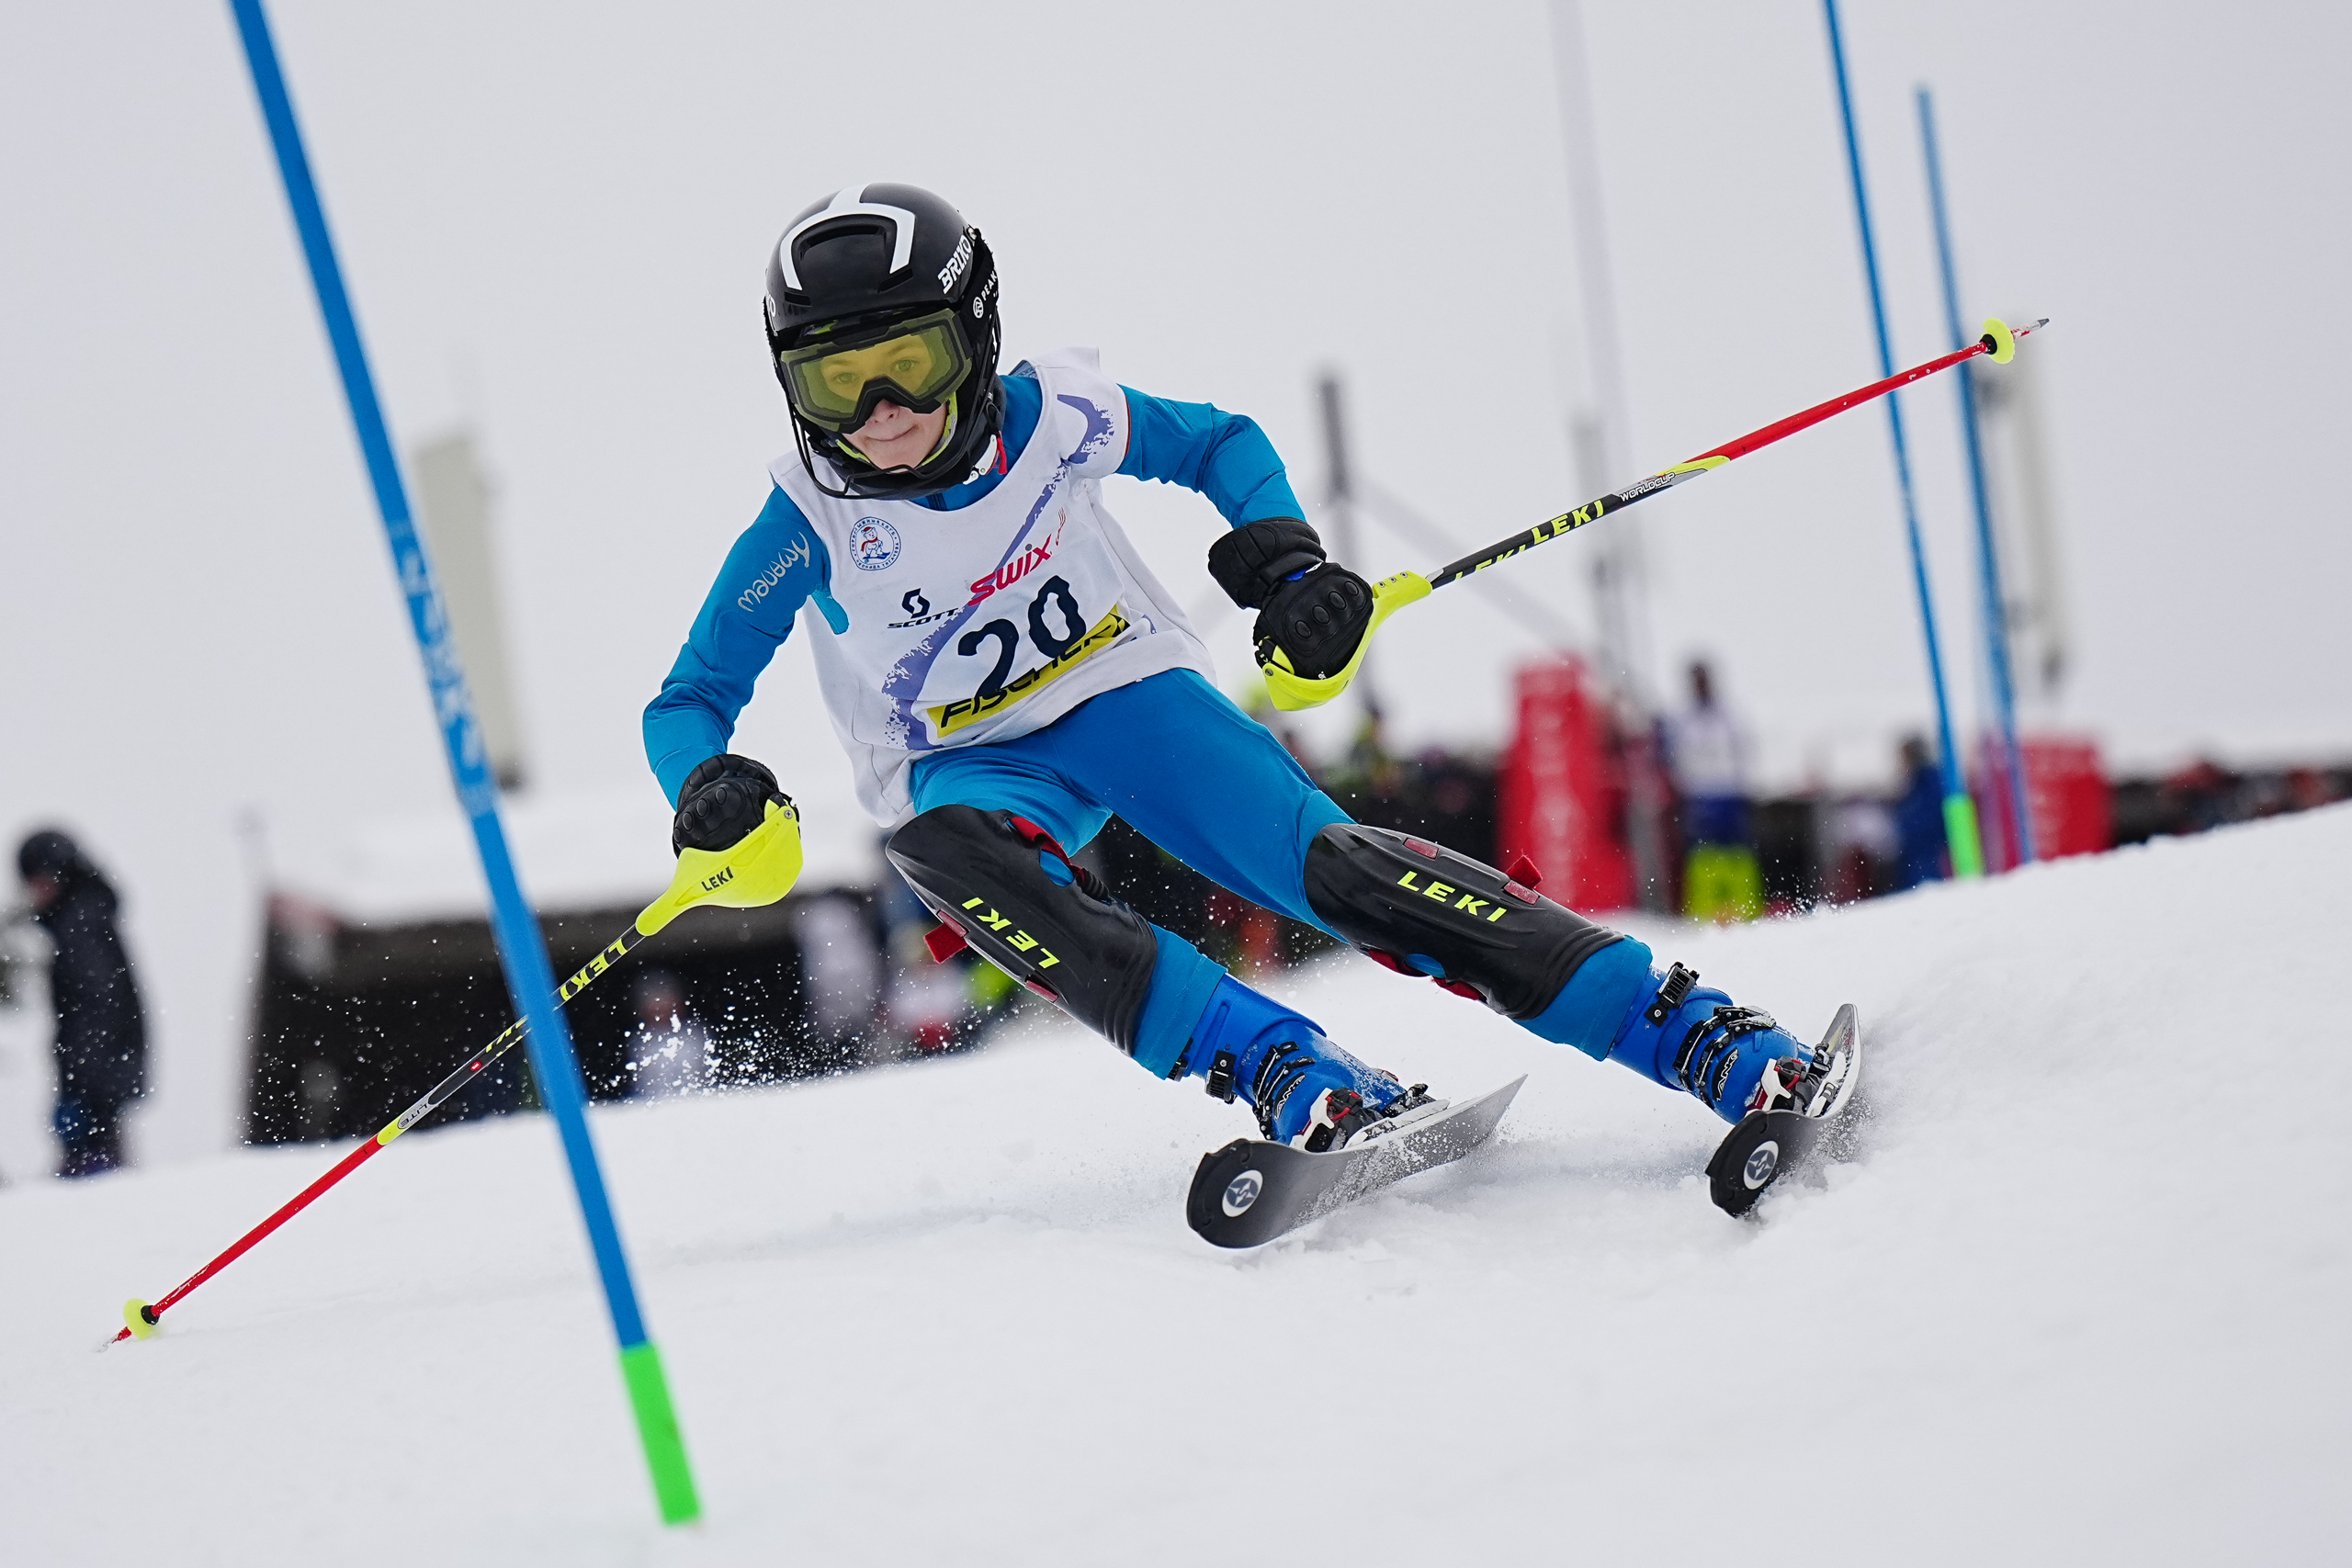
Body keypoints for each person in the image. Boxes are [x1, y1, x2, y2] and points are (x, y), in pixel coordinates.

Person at [643, 184, 1829, 1152]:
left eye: (909, 358)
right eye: (836, 380)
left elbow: (1218, 442)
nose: (884, 412)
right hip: (973, 765)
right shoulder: (807, 519)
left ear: (977, 336)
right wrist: (704, 784)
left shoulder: (1057, 414)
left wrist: (1289, 561)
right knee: (946, 858)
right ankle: (1277, 1062)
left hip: (1127, 699)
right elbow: (689, 697)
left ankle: (1689, 1027)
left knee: (1340, 872)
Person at [16, 830, 147, 1177]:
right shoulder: (84, 917)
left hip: (95, 1082)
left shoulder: (81, 924)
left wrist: (84, 1092)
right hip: (102, 1075)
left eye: (38, 879)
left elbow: (98, 1007)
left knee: (95, 1178)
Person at [1665, 660, 1763, 921]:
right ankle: (1707, 912)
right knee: (1704, 856)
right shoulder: (1683, 719)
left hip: (1730, 793)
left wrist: (1745, 785)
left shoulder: (1729, 715)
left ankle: (1746, 910)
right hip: (1700, 795)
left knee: (1737, 854)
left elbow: (1745, 750)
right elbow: (1675, 756)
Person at [1890, 735, 1949, 891]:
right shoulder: (1915, 782)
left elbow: (1930, 818)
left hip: (1931, 860)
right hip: (1917, 861)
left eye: (1904, 758)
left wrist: (1901, 827)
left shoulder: (1930, 780)